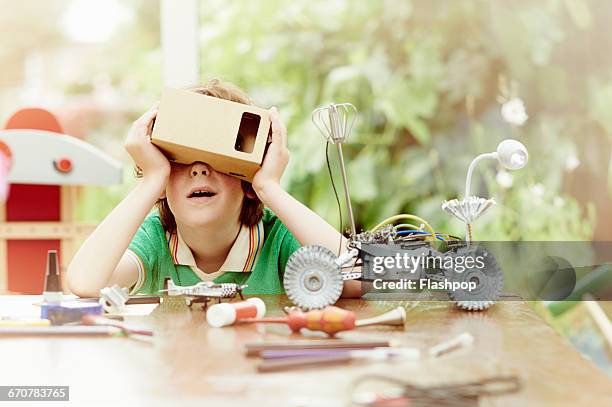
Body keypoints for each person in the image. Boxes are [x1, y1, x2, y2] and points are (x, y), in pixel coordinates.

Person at [67, 79, 361, 298]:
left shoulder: (277, 240)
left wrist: (270, 187)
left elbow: (361, 279)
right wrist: (151, 180)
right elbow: (84, 283)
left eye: (216, 158)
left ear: (247, 180)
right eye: (179, 159)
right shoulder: (155, 240)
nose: (199, 168)